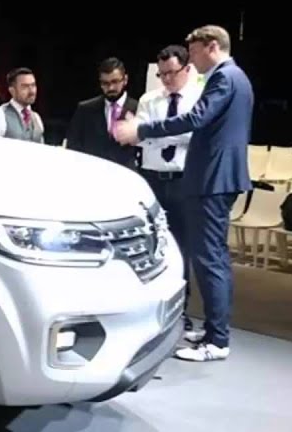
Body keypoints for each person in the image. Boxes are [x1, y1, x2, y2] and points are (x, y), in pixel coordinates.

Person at [113, 25, 253, 362]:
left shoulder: (224, 77)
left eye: (193, 53)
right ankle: (215, 331)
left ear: (211, 46)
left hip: (213, 178)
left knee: (209, 259)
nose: (193, 60)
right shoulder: (236, 78)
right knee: (212, 257)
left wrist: (140, 129)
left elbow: (196, 118)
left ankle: (217, 341)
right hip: (216, 177)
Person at [134, 45, 201, 333]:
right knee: (149, 245)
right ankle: (147, 309)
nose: (166, 79)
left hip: (183, 181)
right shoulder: (149, 100)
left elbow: (193, 136)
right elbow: (140, 136)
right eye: (161, 74)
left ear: (187, 69)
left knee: (182, 248)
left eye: (171, 73)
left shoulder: (199, 100)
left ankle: (180, 310)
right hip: (152, 179)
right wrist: (168, 133)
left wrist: (158, 132)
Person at [64, 57, 139, 168]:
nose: (111, 87)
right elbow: (73, 146)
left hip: (127, 174)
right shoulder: (85, 110)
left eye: (115, 82)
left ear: (125, 80)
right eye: (105, 83)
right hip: (93, 172)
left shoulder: (139, 108)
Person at [0, 67, 45, 142]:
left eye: (33, 85)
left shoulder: (36, 118)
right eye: (25, 86)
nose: (31, 91)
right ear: (12, 91)